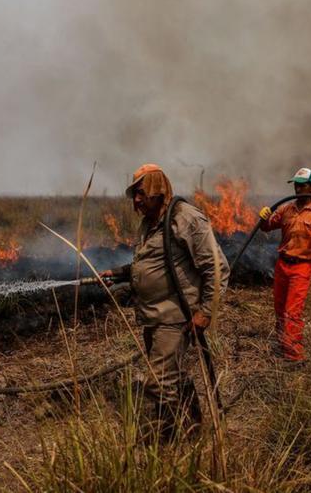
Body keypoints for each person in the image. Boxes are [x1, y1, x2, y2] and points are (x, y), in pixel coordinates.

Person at [101, 163, 230, 437]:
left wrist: (206, 311)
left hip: (175, 316)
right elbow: (154, 262)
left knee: (158, 383)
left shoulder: (185, 218)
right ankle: (193, 431)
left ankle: (165, 444)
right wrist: (120, 274)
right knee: (174, 375)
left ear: (157, 190)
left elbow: (217, 269)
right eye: (134, 193)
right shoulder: (149, 223)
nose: (136, 200)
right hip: (154, 315)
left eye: (140, 193)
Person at [258, 167, 311, 363]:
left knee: (292, 312)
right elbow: (267, 226)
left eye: (302, 185)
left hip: (302, 267)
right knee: (279, 308)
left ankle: (294, 357)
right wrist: (262, 218)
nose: (298, 188)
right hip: (282, 264)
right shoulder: (287, 208)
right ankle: (283, 344)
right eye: (296, 184)